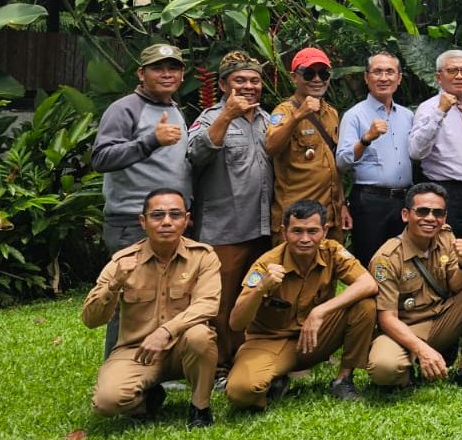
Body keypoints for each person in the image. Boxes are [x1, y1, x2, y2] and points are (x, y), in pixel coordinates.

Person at [81, 188, 218, 427]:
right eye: (157, 215)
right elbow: (90, 319)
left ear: (186, 220)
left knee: (201, 336)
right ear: (143, 222)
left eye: (175, 215)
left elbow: (207, 304)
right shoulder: (122, 261)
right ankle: (148, 399)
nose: (167, 222)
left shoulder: (203, 257)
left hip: (182, 346)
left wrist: (166, 331)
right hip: (137, 351)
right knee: (106, 402)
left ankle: (200, 408)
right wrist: (115, 284)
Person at [91, 42, 193, 355]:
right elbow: (101, 157)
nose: (166, 74)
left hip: (169, 221)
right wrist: (149, 141)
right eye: (157, 68)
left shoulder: (173, 108)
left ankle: (157, 365)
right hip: (132, 220)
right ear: (141, 73)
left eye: (173, 68)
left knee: (165, 295)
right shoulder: (125, 109)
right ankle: (117, 366)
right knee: (131, 294)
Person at [225, 199, 376, 409]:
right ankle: (277, 378)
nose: (305, 239)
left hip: (315, 337)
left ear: (324, 231)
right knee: (241, 393)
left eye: (312, 231)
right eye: (297, 231)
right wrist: (260, 289)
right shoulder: (267, 264)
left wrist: (320, 311)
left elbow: (368, 283)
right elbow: (236, 323)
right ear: (284, 231)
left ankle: (344, 380)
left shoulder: (332, 251)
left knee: (365, 305)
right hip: (271, 342)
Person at [185, 50, 273, 376]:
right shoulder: (210, 118)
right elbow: (194, 154)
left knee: (255, 297)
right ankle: (221, 365)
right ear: (223, 85)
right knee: (222, 302)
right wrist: (227, 116)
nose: (249, 86)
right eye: (240, 80)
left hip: (263, 227)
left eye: (255, 80)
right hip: (224, 228)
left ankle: (251, 357)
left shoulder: (268, 120)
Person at [365, 183, 462, 390]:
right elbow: (386, 319)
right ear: (405, 214)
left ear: (444, 217)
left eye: (438, 213)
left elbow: (456, 286)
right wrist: (421, 349)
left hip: (442, 319)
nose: (430, 218)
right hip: (405, 329)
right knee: (384, 369)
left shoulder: (446, 236)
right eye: (422, 211)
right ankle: (408, 371)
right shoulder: (386, 258)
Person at [337, 51, 415, 267]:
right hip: (370, 202)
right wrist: (366, 138)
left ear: (399, 78)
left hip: (403, 201)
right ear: (366, 77)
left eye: (390, 72)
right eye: (377, 72)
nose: (383, 78)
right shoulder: (355, 115)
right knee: (370, 262)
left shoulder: (407, 116)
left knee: (402, 262)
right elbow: (342, 162)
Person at [266, 47, 347, 242]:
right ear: (294, 77)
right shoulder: (284, 111)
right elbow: (270, 147)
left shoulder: (331, 113)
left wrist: (342, 204)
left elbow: (333, 165)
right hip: (297, 220)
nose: (317, 79)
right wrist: (297, 117)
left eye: (323, 73)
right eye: (309, 73)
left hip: (328, 218)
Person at [409, 49, 462, 248]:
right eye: (452, 70)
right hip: (445, 190)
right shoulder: (428, 108)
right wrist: (441, 112)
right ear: (438, 76)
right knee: (444, 249)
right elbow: (416, 151)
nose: (459, 75)